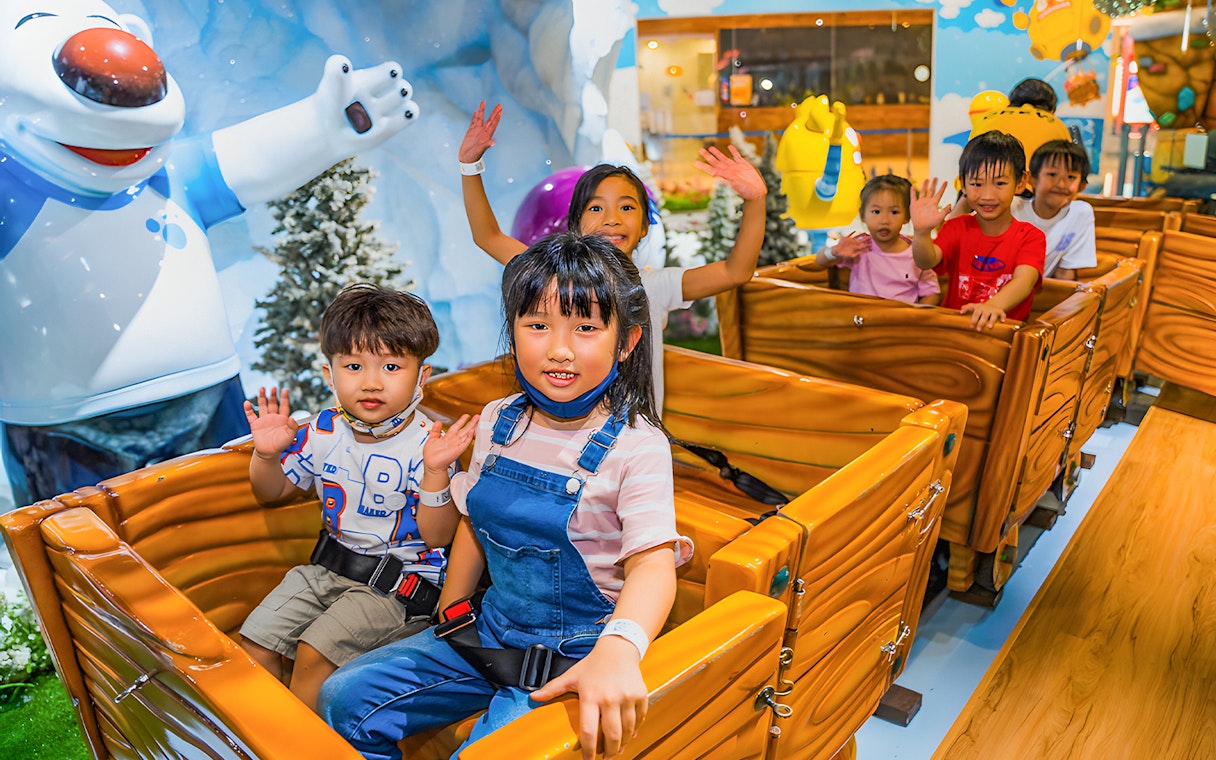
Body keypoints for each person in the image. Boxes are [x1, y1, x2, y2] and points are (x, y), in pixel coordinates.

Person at [320, 233, 693, 760]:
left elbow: (653, 564)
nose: (559, 349)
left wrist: (619, 648)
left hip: (579, 651)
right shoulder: (499, 419)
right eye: (537, 326)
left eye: (586, 328)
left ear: (627, 342)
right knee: (342, 699)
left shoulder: (637, 445)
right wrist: (452, 606)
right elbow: (474, 521)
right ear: (513, 332)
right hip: (491, 629)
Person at [238, 283, 475, 713]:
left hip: (398, 587)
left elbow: (439, 536)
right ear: (329, 375)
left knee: (313, 656)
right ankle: (263, 734)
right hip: (327, 570)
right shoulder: (322, 430)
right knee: (255, 642)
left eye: (391, 366)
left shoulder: (430, 445)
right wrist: (266, 455)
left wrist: (437, 471)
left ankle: (304, 744)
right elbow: (271, 493)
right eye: (353, 366)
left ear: (422, 376)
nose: (371, 382)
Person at [458, 101, 766, 409]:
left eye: (627, 207)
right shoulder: (554, 278)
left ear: (645, 226)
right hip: (563, 430)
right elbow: (488, 236)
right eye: (596, 208)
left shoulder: (653, 285)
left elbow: (735, 272)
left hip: (634, 434)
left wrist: (755, 200)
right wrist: (469, 166)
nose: (612, 219)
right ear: (576, 223)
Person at [912, 130, 1046, 331]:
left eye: (1000, 183)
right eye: (976, 184)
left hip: (1003, 336)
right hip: (954, 330)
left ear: (1020, 182)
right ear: (963, 184)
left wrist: (992, 306)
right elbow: (926, 261)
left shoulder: (1031, 237)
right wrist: (922, 232)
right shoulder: (957, 227)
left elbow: (1024, 282)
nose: (987, 195)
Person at [807, 174, 941, 305]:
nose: (884, 220)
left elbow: (931, 293)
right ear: (863, 215)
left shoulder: (918, 254)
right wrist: (834, 252)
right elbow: (820, 261)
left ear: (907, 216)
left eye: (894, 212)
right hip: (862, 317)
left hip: (901, 318)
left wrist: (915, 316)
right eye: (876, 212)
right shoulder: (859, 246)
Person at [1013, 139, 1096, 280]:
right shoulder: (1013, 208)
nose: (1061, 184)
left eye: (1071, 177)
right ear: (1032, 179)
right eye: (1052, 174)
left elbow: (1065, 273)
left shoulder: (1080, 214)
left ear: (1082, 186)